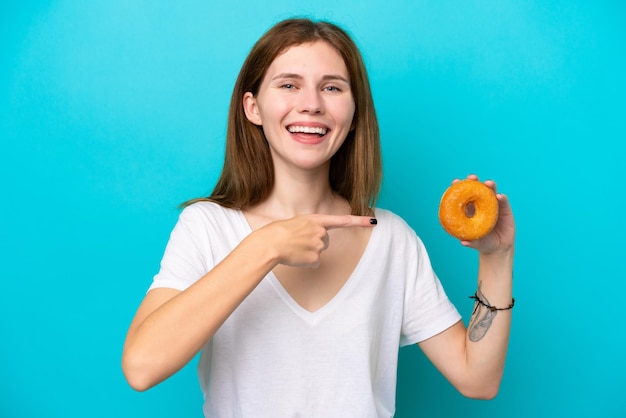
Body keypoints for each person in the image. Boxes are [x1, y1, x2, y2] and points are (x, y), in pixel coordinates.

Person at [122, 17, 516, 417]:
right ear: (253, 107)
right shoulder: (207, 226)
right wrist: (266, 247)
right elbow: (141, 367)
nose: (311, 103)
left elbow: (478, 380)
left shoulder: (393, 239)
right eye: (289, 84)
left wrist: (496, 257)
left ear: (353, 110)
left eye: (332, 87)